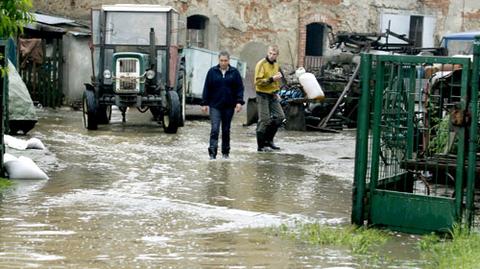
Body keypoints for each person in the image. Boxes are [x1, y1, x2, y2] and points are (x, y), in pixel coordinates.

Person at [201, 51, 245, 159]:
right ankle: (212, 154)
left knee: (226, 130)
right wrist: (204, 103)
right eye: (221, 60)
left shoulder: (234, 73)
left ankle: (225, 153)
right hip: (215, 105)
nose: (223, 63)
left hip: (229, 106)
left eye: (225, 61)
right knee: (215, 129)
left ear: (229, 61)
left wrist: (239, 102)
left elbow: (239, 88)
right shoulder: (212, 72)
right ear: (218, 60)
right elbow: (207, 87)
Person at [254, 45, 285, 152]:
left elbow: (276, 81)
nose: (272, 56)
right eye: (270, 53)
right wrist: (272, 79)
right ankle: (261, 145)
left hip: (272, 94)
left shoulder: (276, 64)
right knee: (264, 120)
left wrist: (277, 91)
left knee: (280, 117)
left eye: (274, 54)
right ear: (267, 53)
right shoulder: (261, 64)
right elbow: (258, 82)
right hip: (262, 94)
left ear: (277, 55)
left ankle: (269, 140)